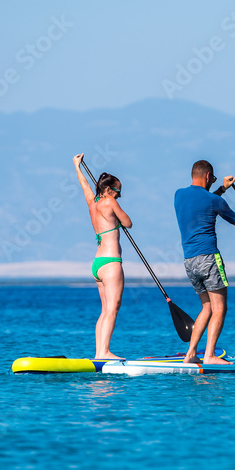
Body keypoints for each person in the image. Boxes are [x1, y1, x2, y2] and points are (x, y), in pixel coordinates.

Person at [174, 160, 235, 364]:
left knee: (206, 307)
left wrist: (222, 189)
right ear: (208, 176)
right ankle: (209, 356)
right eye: (213, 179)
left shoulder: (179, 195)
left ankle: (191, 354)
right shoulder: (212, 200)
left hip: (189, 261)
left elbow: (204, 201)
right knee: (219, 308)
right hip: (209, 258)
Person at [74, 154, 133, 360]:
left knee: (104, 310)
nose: (119, 196)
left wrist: (77, 166)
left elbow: (85, 187)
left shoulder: (93, 202)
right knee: (113, 309)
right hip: (111, 263)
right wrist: (117, 213)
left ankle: (99, 352)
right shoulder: (108, 201)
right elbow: (128, 223)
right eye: (118, 192)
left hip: (97, 265)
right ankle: (105, 352)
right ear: (108, 190)